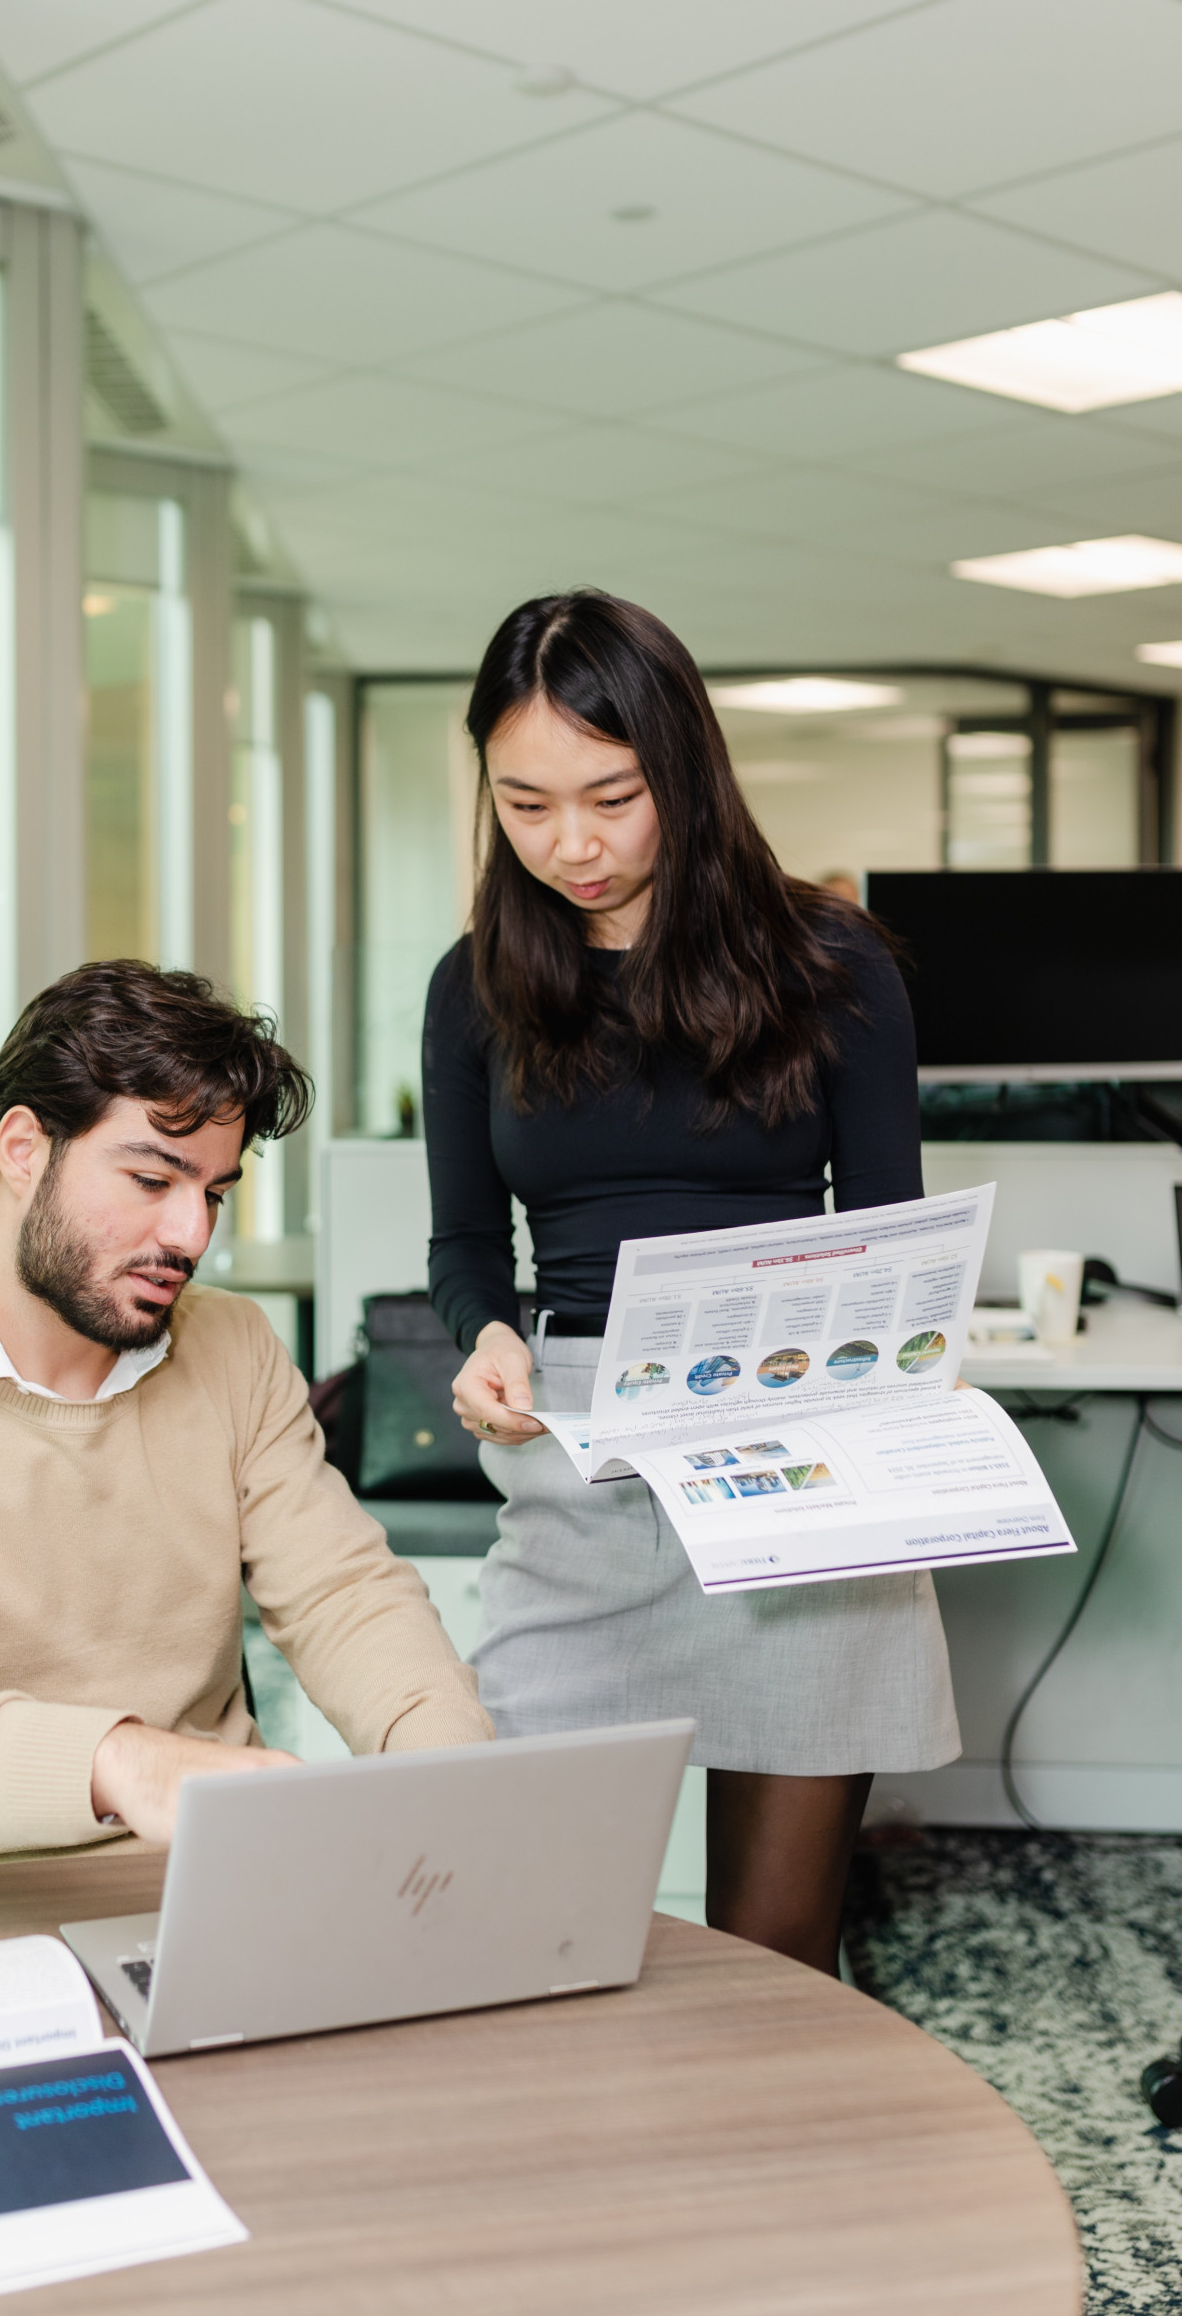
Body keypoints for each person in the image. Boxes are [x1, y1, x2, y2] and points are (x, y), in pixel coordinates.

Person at [422, 591, 958, 1976]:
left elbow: (882, 1230)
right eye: (525, 805)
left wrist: (897, 1370)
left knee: (772, 1955)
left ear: (685, 768)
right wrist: (484, 1335)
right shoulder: (473, 985)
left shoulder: (830, 961)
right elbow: (465, 1240)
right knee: (520, 1928)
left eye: (611, 795)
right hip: (584, 1462)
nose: (572, 845)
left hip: (794, 1446)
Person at [0, 960, 492, 1891]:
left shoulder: (232, 1350)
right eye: (151, 1178)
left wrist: (448, 1774)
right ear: (22, 1149)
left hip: (200, 1887)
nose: (190, 1235)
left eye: (211, 1191)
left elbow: (345, 1598)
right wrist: (120, 1762)